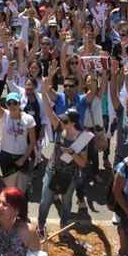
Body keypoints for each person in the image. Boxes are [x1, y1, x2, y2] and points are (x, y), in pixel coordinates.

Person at [38, 82, 88, 237]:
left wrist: (72, 153)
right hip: (52, 171)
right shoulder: (60, 127)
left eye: (66, 121)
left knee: (66, 202)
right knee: (45, 201)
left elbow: (83, 163)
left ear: (73, 123)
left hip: (70, 175)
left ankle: (63, 225)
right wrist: (44, 91)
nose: (62, 122)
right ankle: (40, 226)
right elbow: (48, 110)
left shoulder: (82, 138)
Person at [0, 70, 36, 192]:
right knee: (9, 187)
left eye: (15, 102)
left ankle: (21, 210)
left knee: (21, 188)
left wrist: (24, 158)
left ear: (19, 103)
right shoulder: (4, 115)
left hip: (21, 155)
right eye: (9, 103)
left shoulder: (28, 118)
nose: (12, 105)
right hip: (5, 155)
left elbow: (32, 142)